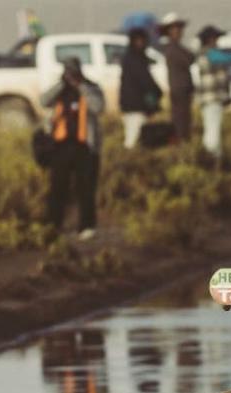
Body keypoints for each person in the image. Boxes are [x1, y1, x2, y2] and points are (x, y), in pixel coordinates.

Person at [42, 58, 106, 239]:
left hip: (85, 146)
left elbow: (98, 107)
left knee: (85, 188)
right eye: (67, 71)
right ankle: (53, 225)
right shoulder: (59, 89)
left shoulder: (91, 87)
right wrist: (61, 84)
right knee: (57, 188)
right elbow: (43, 101)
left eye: (72, 71)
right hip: (61, 145)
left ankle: (87, 226)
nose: (70, 75)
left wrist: (81, 86)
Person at [194, 24, 231, 157]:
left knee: (210, 127)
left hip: (208, 98)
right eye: (215, 38)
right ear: (210, 39)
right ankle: (213, 156)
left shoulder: (203, 53)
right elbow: (225, 58)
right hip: (212, 97)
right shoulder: (209, 53)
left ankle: (210, 154)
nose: (217, 41)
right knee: (213, 128)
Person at [120, 29, 163, 147]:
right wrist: (157, 92)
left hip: (134, 105)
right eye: (139, 40)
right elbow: (145, 81)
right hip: (135, 106)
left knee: (135, 138)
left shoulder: (133, 57)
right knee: (133, 140)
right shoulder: (135, 59)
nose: (141, 43)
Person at [158, 12, 195, 143]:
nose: (178, 31)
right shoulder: (172, 48)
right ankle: (181, 143)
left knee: (184, 119)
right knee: (181, 121)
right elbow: (189, 59)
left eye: (179, 28)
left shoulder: (176, 47)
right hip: (179, 89)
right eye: (174, 28)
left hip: (182, 89)